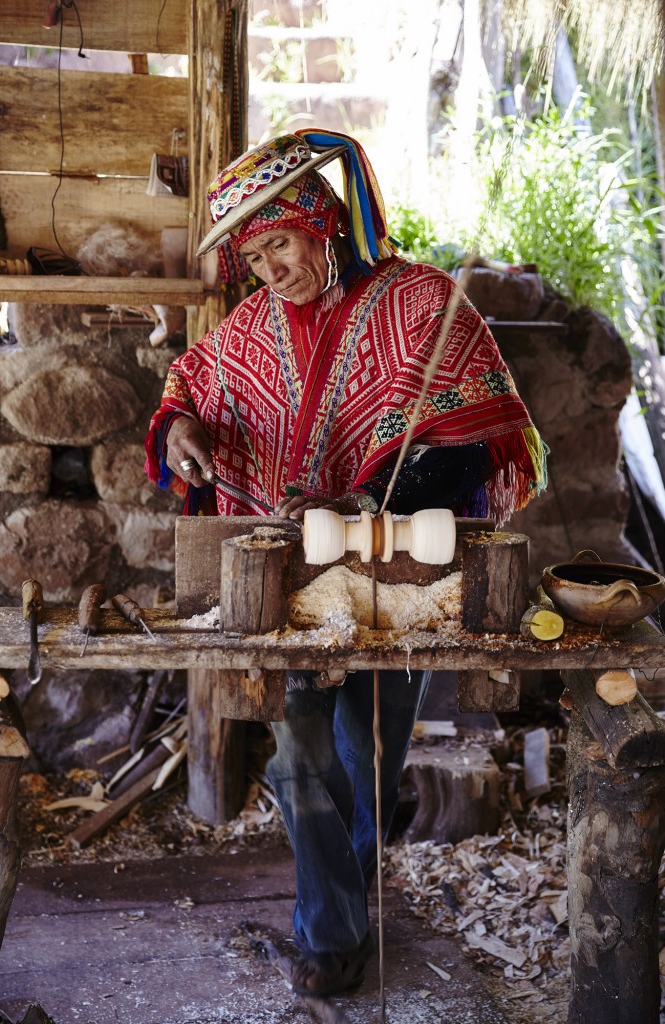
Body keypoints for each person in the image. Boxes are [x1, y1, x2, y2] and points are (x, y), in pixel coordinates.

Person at [145, 129, 547, 998]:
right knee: (296, 755)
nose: (269, 269)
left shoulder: (422, 303)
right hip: (290, 583)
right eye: (253, 256)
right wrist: (181, 432)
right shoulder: (250, 326)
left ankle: (341, 915)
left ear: (321, 222)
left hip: (394, 579)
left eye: (280, 243)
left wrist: (364, 501)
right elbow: (190, 383)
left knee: (366, 751)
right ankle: (331, 935)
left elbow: (477, 438)